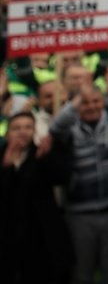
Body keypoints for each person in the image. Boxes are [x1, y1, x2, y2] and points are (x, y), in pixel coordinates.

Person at [50, 83, 108, 284]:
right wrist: (77, 99)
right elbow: (56, 127)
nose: (91, 106)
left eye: (96, 101)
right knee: (82, 272)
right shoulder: (70, 128)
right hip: (81, 214)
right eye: (85, 103)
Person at [0, 111, 73, 284]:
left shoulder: (41, 153)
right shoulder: (2, 157)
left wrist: (47, 156)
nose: (22, 132)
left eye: (28, 127)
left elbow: (61, 177)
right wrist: (6, 168)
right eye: (16, 128)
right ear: (7, 133)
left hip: (42, 240)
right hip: (9, 240)